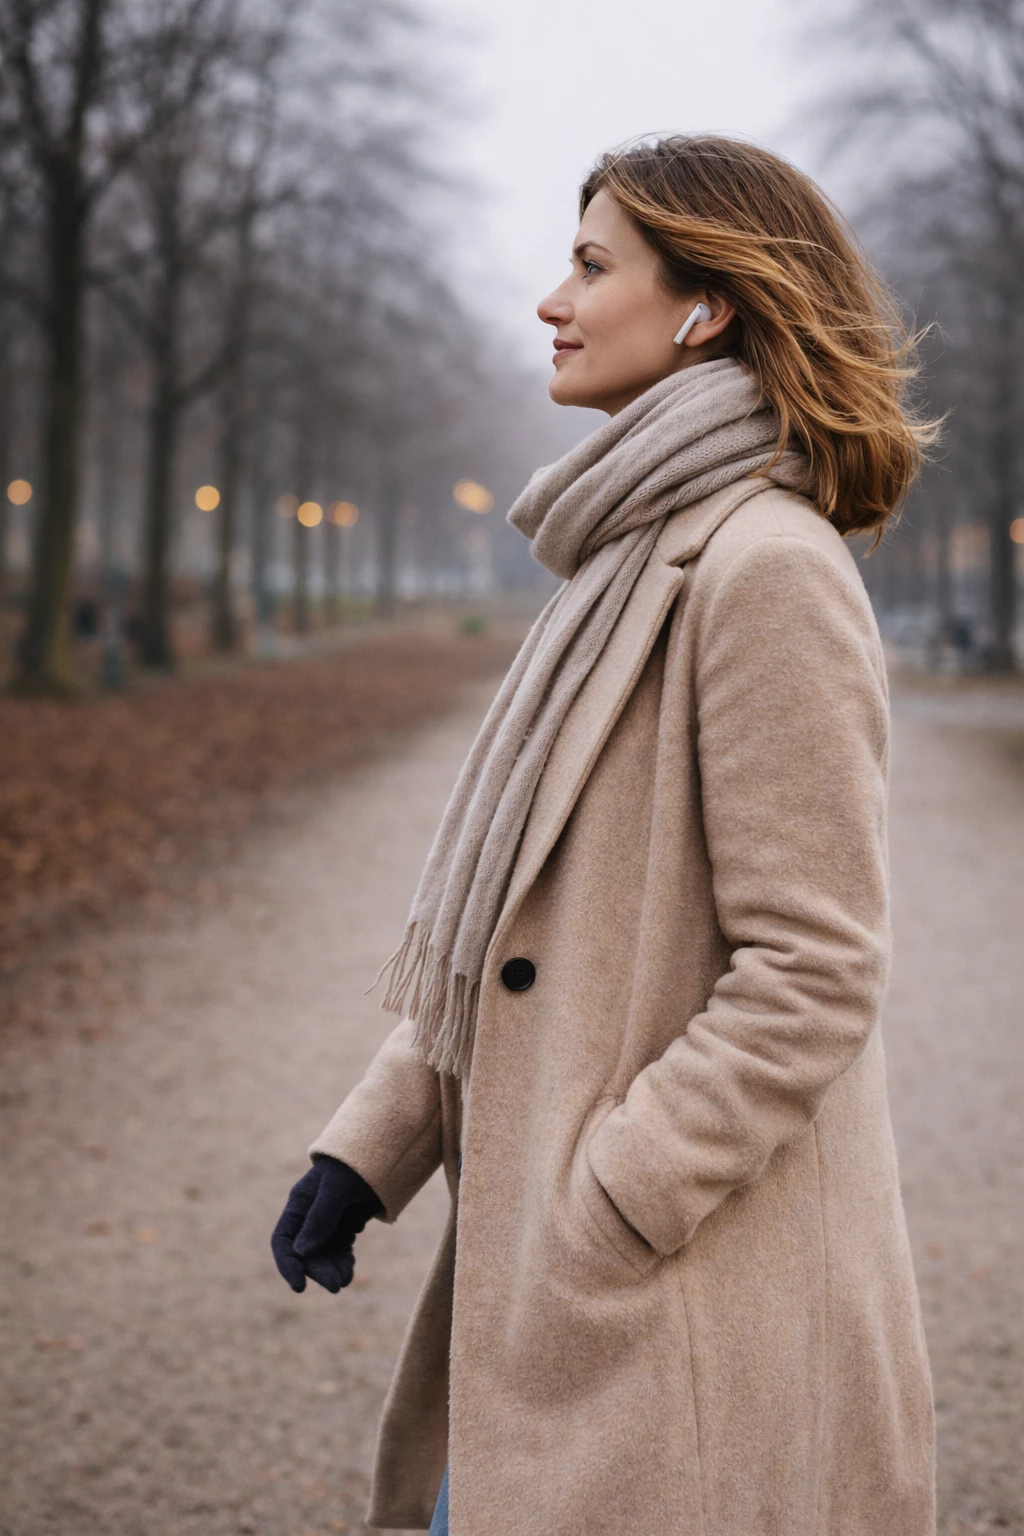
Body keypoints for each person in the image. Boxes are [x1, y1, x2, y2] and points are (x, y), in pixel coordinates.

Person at [271, 135, 937, 1536]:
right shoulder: (630, 554)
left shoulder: (764, 568)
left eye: (589, 266)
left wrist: (616, 1200)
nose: (551, 301)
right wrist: (368, 1152)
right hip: (580, 1314)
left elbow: (814, 969)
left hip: (675, 1310)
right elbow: (524, 921)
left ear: (705, 309)